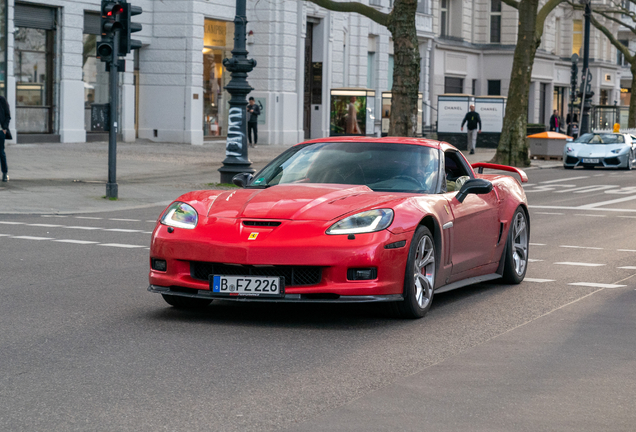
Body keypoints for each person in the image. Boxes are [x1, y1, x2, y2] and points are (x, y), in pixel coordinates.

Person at [0, 94, 11, 182]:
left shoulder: (2, 100)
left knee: (1, 152)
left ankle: (4, 173)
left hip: (0, 131)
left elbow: (8, 115)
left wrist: (4, 128)